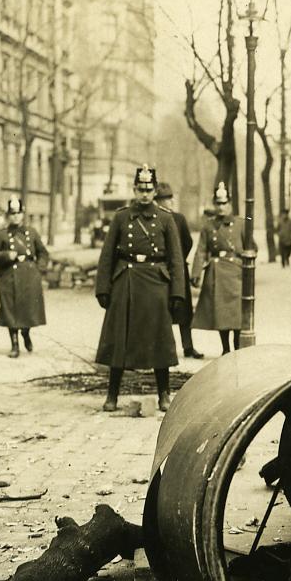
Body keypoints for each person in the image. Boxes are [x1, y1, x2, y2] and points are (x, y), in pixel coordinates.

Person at [94, 164, 186, 413]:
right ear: (134, 189)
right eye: (140, 189)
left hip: (156, 282)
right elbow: (107, 255)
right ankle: (112, 394)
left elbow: (176, 259)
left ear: (155, 190)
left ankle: (164, 395)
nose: (144, 194)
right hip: (127, 279)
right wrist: (103, 287)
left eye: (149, 189)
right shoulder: (121, 217)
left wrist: (177, 292)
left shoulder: (166, 219)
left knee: (159, 338)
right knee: (118, 338)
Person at [0, 197, 49, 357]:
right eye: (12, 213)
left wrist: (38, 268)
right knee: (10, 310)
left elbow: (43, 252)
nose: (15, 216)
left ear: (23, 214)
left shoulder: (32, 232)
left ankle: (26, 333)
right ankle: (14, 345)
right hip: (9, 276)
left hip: (29, 276)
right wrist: (7, 255)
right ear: (8, 215)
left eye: (18, 213)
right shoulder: (2, 235)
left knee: (28, 309)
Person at [191, 182, 245, 355]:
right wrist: (196, 273)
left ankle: (237, 347)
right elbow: (201, 250)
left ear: (229, 204)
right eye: (218, 204)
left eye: (224, 203)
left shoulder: (240, 224)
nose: (221, 207)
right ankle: (226, 349)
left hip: (236, 273)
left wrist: (244, 259)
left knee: (236, 315)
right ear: (214, 205)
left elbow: (252, 247)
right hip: (217, 272)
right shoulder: (209, 226)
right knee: (221, 314)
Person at [154, 180, 201, 359]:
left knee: (184, 311)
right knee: (162, 311)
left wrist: (178, 259)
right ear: (157, 201)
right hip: (161, 271)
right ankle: (163, 348)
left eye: (170, 198)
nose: (170, 202)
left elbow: (188, 242)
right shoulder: (155, 219)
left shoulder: (179, 218)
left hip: (179, 271)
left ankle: (188, 347)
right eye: (165, 199)